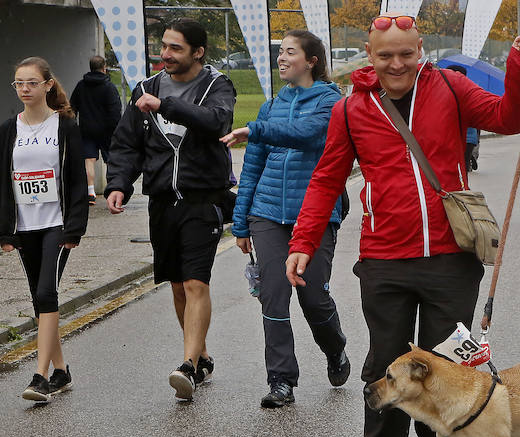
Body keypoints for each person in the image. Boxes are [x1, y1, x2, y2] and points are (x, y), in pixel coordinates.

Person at [284, 12, 520, 437]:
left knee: (446, 366)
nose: (397, 64)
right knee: (386, 360)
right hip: (384, 260)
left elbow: (508, 117)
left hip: (450, 257)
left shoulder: (450, 87)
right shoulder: (350, 110)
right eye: (386, 56)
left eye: (407, 54)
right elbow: (326, 180)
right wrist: (302, 243)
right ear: (369, 53)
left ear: (420, 48)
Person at [104, 18, 236, 401]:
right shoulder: (144, 89)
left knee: (196, 282)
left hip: (202, 197)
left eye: (176, 48)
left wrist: (167, 106)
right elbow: (126, 143)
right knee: (177, 284)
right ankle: (201, 355)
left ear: (198, 52)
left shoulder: (217, 85)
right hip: (162, 200)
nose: (165, 54)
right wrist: (118, 184)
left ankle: (188, 366)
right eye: (163, 46)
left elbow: (215, 122)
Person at [219, 30, 349, 408]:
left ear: (311, 61)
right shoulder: (271, 105)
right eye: (280, 51)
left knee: (313, 298)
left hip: (316, 215)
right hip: (268, 214)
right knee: (273, 296)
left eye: (290, 52)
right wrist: (240, 222)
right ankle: (281, 381)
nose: (281, 57)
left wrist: (256, 130)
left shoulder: (331, 102)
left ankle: (335, 347)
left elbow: (308, 135)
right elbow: (253, 166)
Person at [0, 57, 89, 402]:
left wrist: (74, 228)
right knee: (39, 298)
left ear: (48, 85)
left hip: (56, 223)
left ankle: (40, 376)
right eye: (19, 83)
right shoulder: (9, 129)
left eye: (32, 82)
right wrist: (6, 233)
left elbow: (77, 179)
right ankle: (62, 371)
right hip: (25, 227)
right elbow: (4, 182)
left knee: (46, 293)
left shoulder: (64, 125)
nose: (25, 89)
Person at [69, 55, 121, 205]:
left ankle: (90, 192)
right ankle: (113, 191)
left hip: (86, 130)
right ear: (104, 68)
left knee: (89, 160)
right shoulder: (109, 87)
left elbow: (72, 107)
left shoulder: (81, 86)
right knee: (111, 161)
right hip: (107, 131)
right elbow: (115, 111)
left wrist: (74, 125)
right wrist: (115, 129)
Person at [445, 65, 482, 172]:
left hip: (456, 137)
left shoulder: (449, 93)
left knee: (455, 165)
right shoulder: (470, 92)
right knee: (463, 164)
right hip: (470, 138)